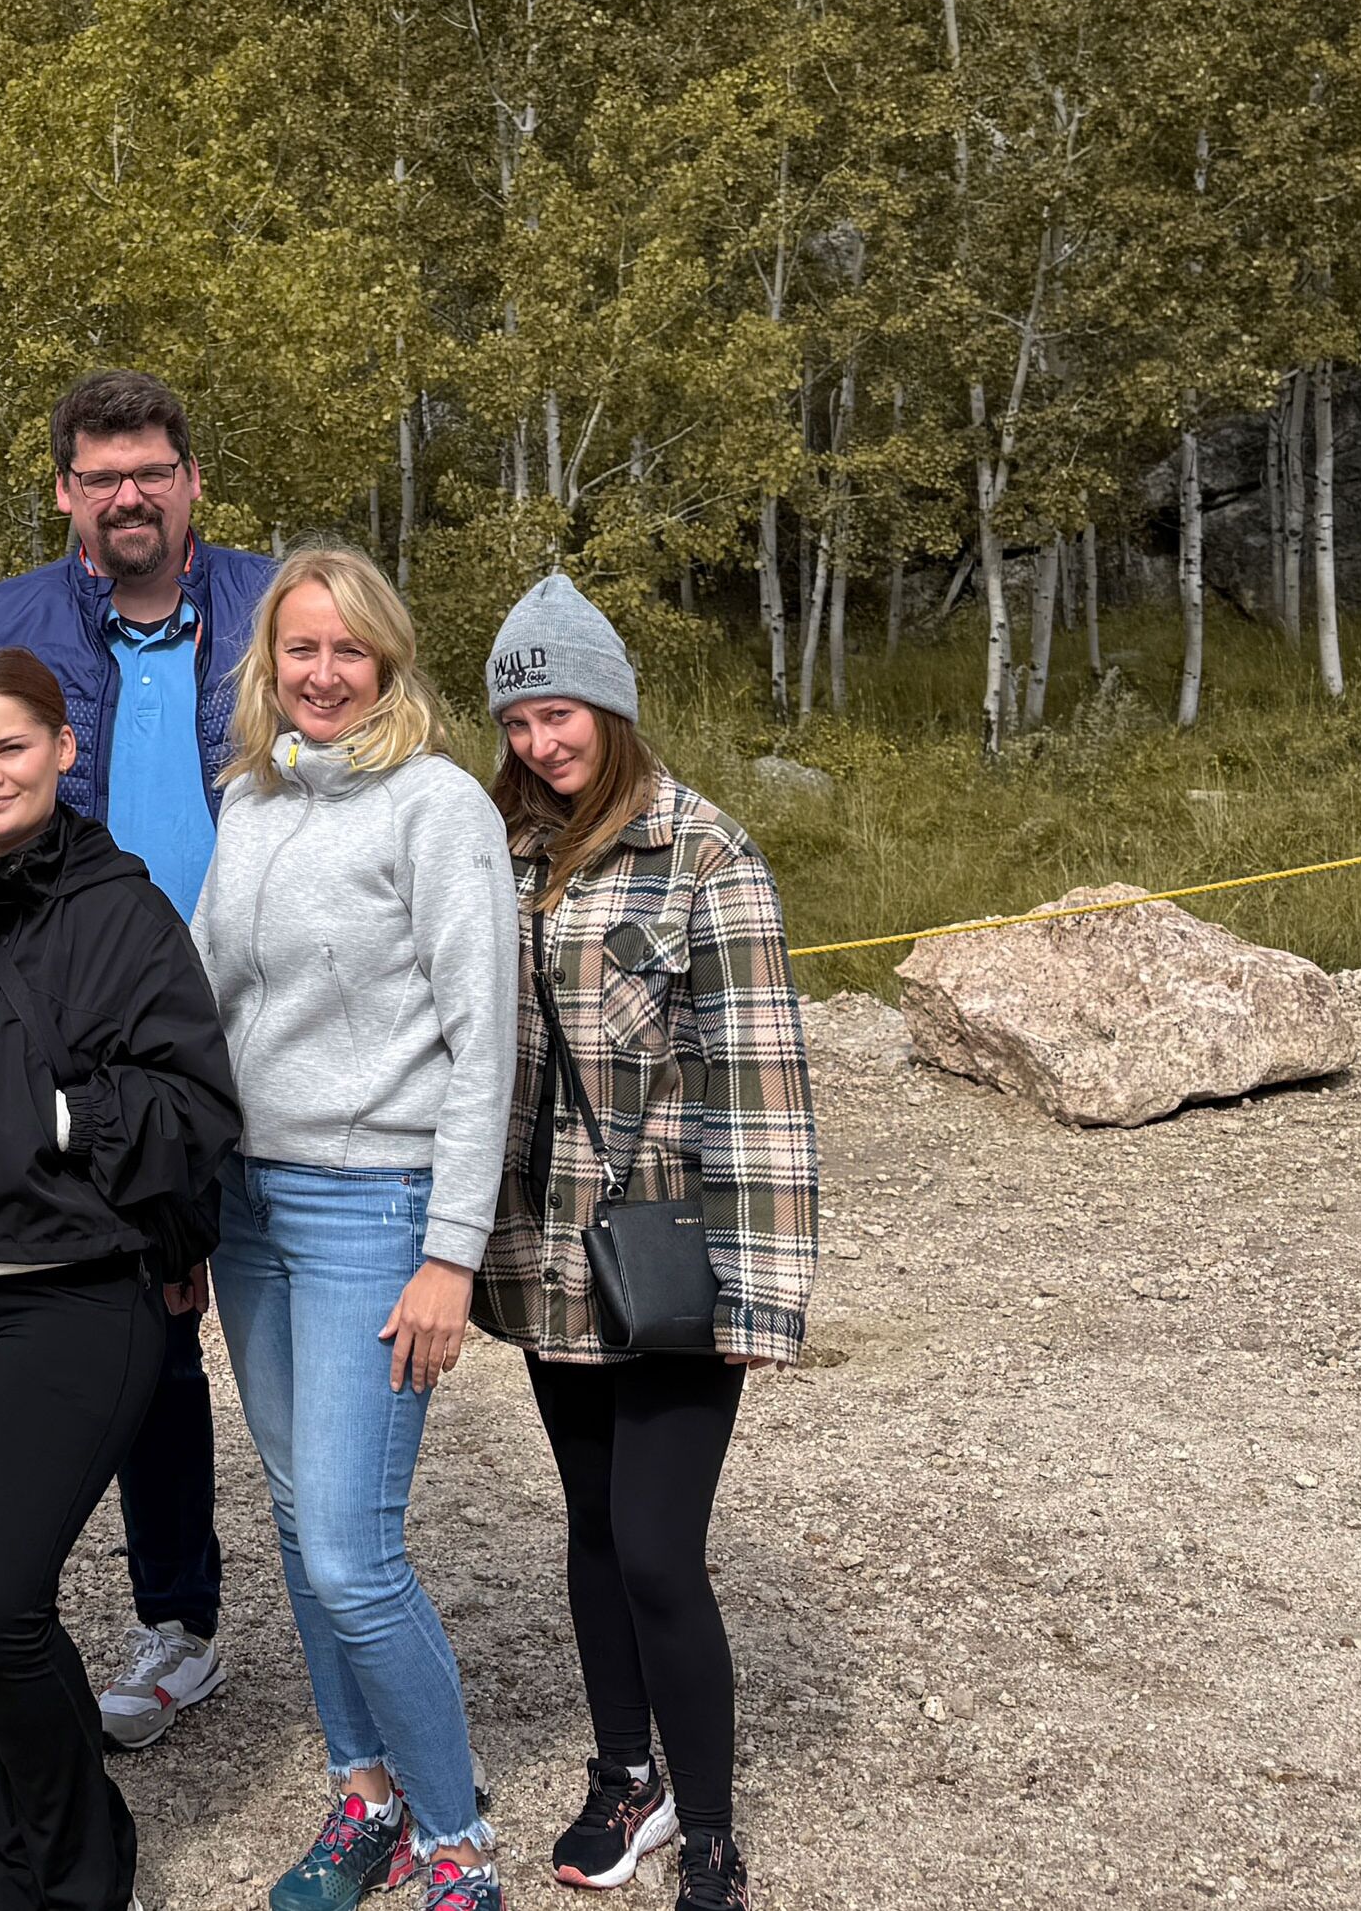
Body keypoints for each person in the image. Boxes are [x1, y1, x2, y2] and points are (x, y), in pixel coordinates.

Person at [0, 646, 246, 1911]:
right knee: (0, 1605)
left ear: (62, 751)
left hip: (75, 1293)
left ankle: (76, 1871)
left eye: (11, 748)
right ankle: (29, 1855)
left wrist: (62, 1112)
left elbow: (199, 1102)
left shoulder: (123, 908)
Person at [474, 577, 814, 1911]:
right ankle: (629, 1774)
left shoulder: (706, 853)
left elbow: (762, 1079)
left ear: (610, 709)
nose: (539, 742)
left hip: (673, 1255)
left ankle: (713, 1825)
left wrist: (764, 1298)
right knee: (595, 1531)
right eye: (517, 718)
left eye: (558, 713)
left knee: (661, 1544)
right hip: (551, 1253)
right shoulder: (500, 846)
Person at [192, 548, 520, 1911]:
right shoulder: (251, 799)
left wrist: (450, 1249)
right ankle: (365, 1796)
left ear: (389, 663)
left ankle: (458, 1839)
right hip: (247, 1208)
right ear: (267, 664)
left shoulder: (438, 810)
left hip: (370, 1208)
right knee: (292, 1520)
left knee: (351, 1550)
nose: (322, 676)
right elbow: (209, 992)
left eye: (349, 652)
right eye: (299, 651)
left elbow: (481, 1036)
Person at [0, 368, 276, 1750]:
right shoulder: (10, 619)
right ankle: (160, 1614)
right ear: (68, 494)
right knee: (142, 1325)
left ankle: (285, 1602)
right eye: (101, 476)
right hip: (96, 1025)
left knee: (249, 1311)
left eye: (151, 469)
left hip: (263, 1012)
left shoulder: (277, 606)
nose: (128, 495)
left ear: (193, 480)